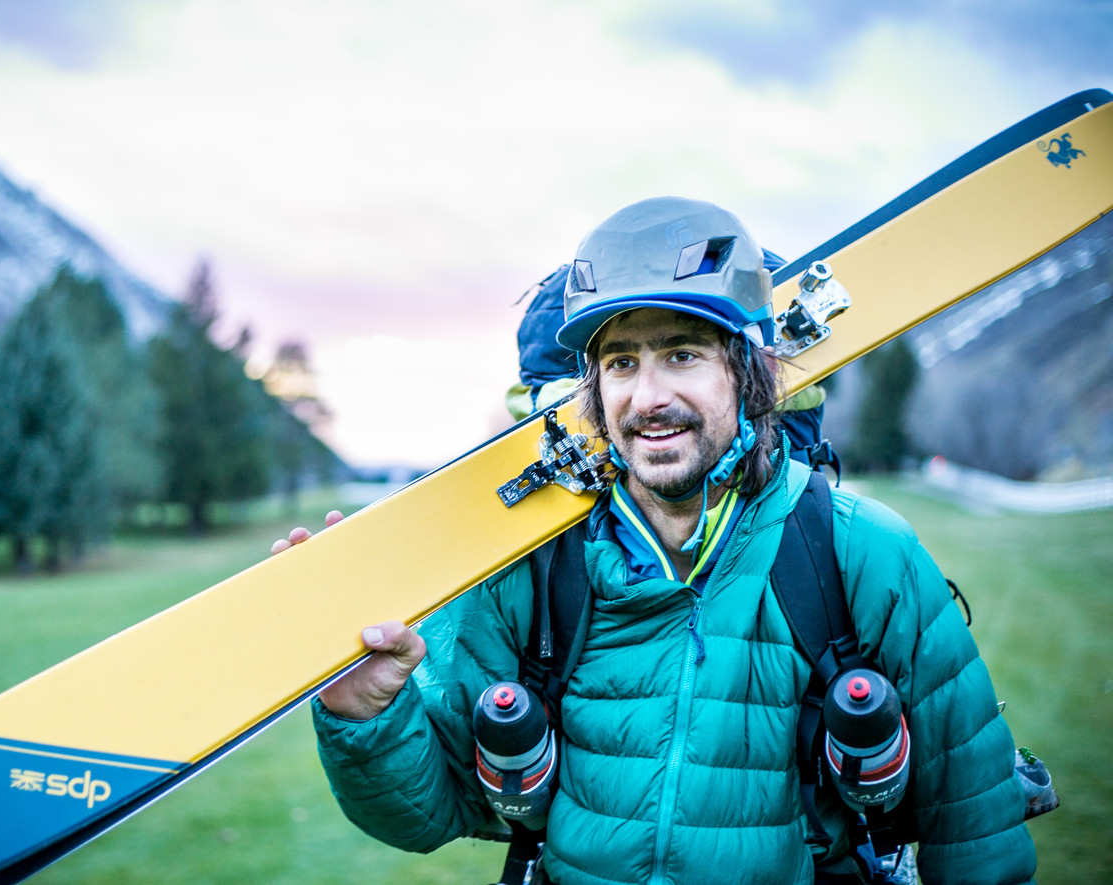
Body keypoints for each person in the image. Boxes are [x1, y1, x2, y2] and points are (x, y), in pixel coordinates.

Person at [276, 197, 1038, 884]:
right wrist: (365, 716)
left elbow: (977, 834)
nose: (649, 397)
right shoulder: (532, 570)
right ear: (593, 392)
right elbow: (424, 813)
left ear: (749, 370)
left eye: (683, 352)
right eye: (620, 362)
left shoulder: (861, 552)